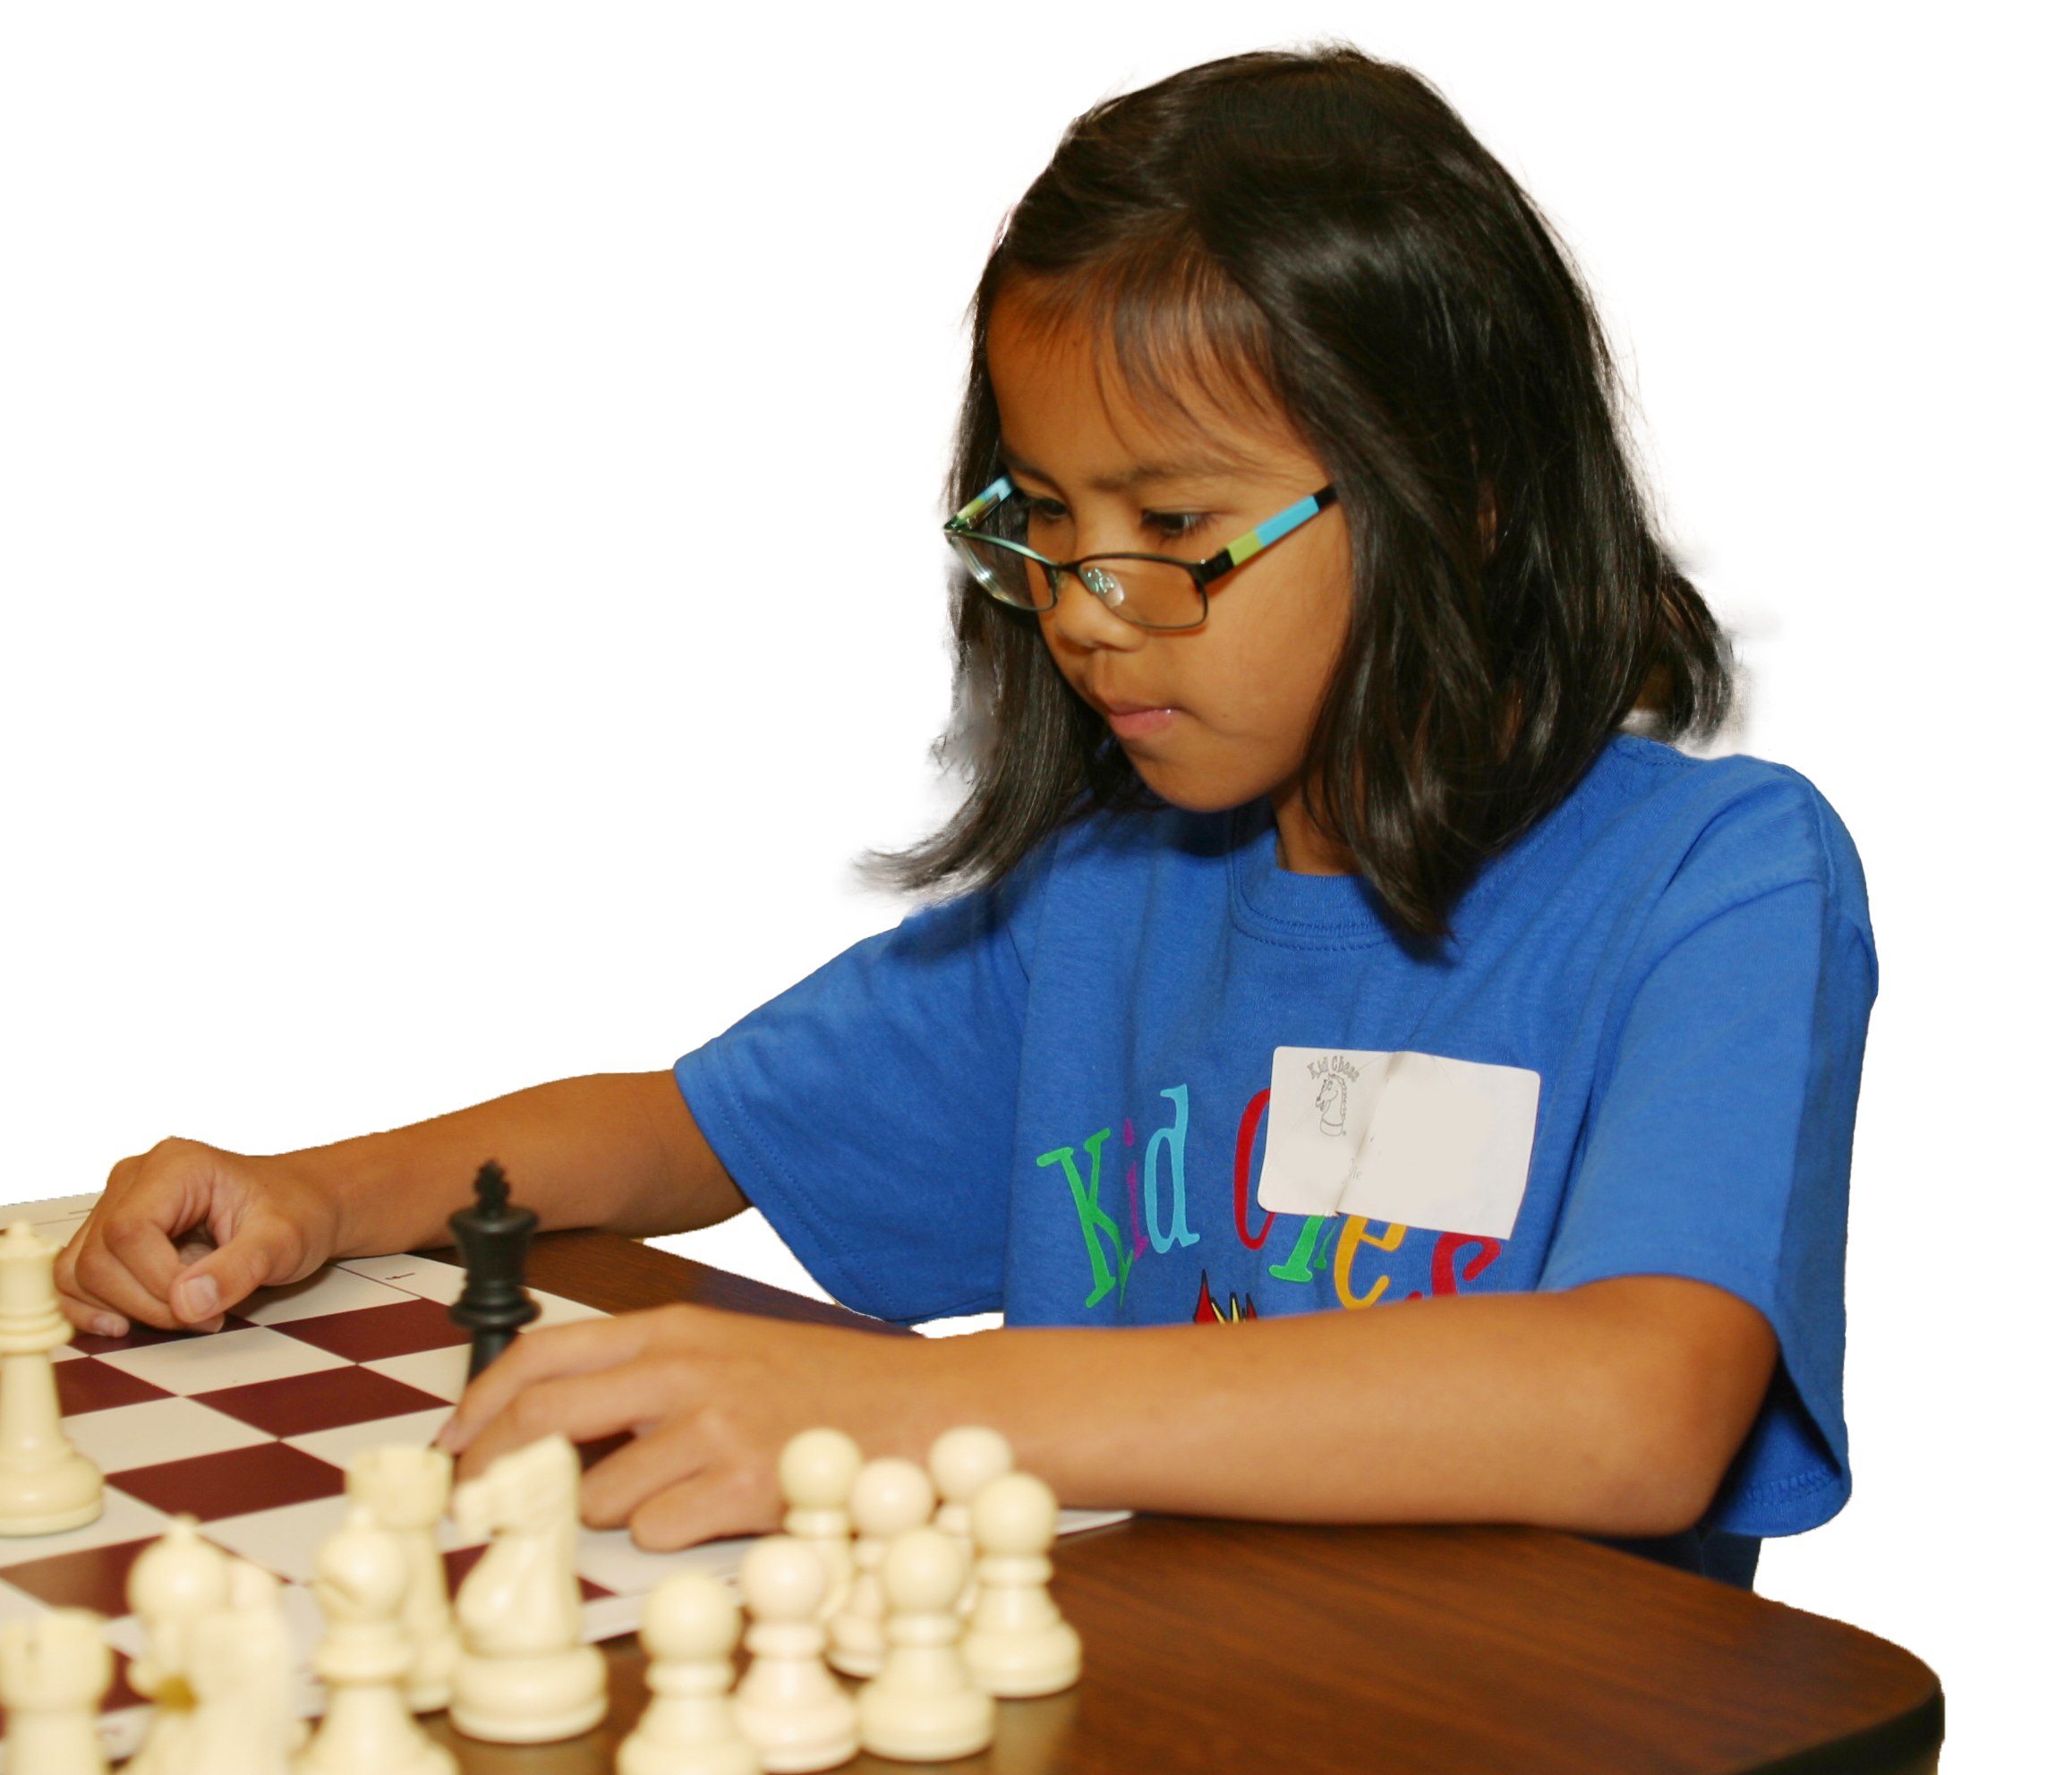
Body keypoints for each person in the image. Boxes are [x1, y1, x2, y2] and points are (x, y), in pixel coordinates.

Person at [56, 30, 1861, 1592]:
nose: (1082, 602)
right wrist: (318, 1192)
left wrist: (924, 1405)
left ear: (1459, 495)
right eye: (1047, 521)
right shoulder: (1107, 895)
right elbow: (685, 1128)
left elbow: (1638, 1412)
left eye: (1172, 527)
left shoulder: (1710, 877)